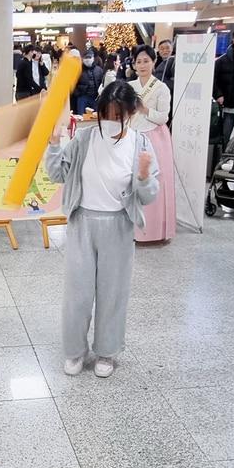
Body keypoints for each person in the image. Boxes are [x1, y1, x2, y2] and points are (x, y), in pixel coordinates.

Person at [46, 81, 160, 379]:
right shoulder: (84, 139)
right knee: (77, 293)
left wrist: (145, 176)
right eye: (104, 115)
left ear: (131, 114)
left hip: (118, 227)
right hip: (83, 223)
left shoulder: (141, 144)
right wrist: (53, 145)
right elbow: (57, 174)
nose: (109, 122)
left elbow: (148, 196)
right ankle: (74, 351)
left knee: (112, 293)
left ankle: (107, 352)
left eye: (116, 116)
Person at [129, 45, 175, 243]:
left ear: (153, 62)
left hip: (156, 137)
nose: (142, 65)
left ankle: (156, 230)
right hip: (133, 136)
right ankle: (133, 230)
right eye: (138, 61)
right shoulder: (130, 86)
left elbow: (163, 117)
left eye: (146, 61)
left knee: (156, 180)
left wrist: (145, 110)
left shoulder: (161, 87)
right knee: (132, 180)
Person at [73, 49, 105, 114]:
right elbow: (73, 84)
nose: (87, 59)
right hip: (82, 97)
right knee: (81, 116)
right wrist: (78, 93)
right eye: (86, 57)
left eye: (89, 57)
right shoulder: (78, 70)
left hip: (95, 97)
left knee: (95, 117)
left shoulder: (99, 70)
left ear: (93, 58)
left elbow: (102, 83)